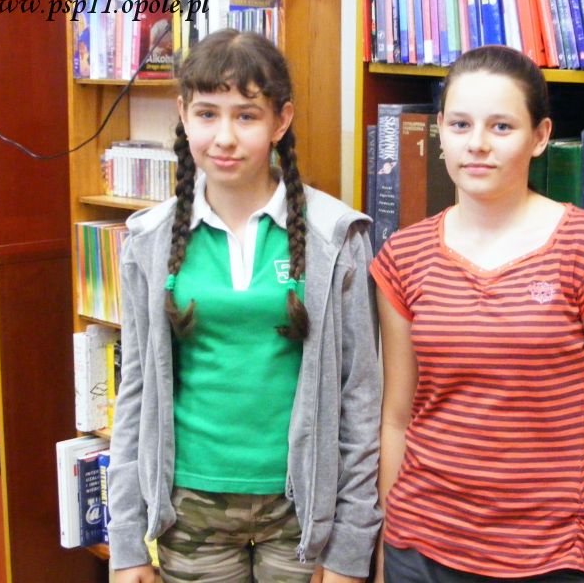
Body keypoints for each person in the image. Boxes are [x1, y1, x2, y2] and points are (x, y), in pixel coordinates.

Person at [371, 45, 584, 583]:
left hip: (548, 558)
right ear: (439, 131)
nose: (477, 144)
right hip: (420, 552)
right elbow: (396, 419)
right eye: (460, 124)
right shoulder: (404, 256)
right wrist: (386, 559)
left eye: (501, 126)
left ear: (540, 136)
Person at [108, 29, 381, 583]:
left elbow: (360, 398)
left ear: (281, 121)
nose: (225, 137)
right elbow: (136, 392)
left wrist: (351, 547)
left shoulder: (336, 237)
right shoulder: (149, 241)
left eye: (247, 116)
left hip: (303, 510)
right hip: (189, 508)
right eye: (207, 114)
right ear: (184, 116)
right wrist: (126, 540)